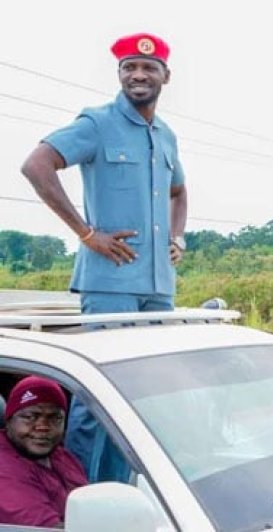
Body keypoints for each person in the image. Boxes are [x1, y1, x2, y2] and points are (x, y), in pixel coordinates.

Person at [20, 33, 186, 483]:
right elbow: (37, 164)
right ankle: (79, 500)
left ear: (165, 77)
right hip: (110, 282)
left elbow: (179, 191)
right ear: (119, 74)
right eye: (129, 67)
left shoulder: (166, 135)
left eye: (148, 68)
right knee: (99, 403)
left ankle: (118, 496)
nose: (138, 74)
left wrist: (178, 236)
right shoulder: (96, 123)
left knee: (139, 401)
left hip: (158, 289)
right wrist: (86, 232)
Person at [0, 376, 87, 527]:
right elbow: (47, 529)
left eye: (54, 418)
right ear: (9, 420)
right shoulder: (4, 467)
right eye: (30, 417)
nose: (42, 427)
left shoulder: (61, 456)